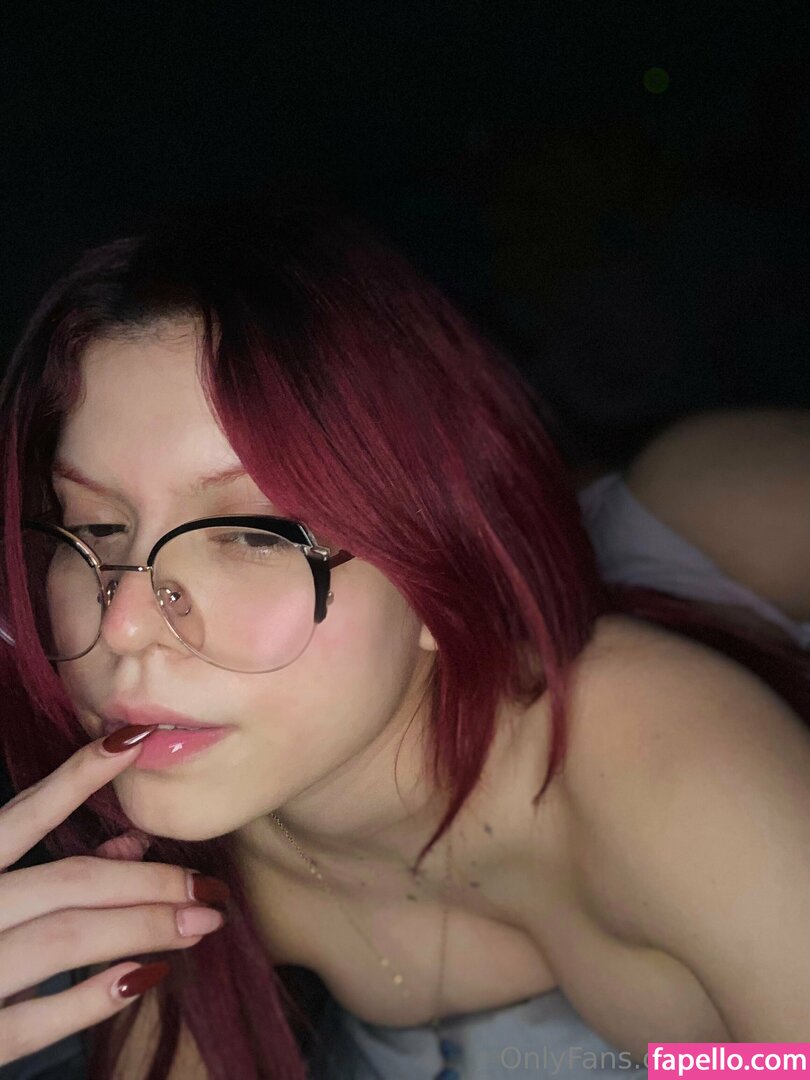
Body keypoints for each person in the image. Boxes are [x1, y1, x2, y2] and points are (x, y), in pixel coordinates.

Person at [0, 196, 808, 1080]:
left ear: (440, 559)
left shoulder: (661, 751)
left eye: (252, 534)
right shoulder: (170, 870)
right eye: (94, 531)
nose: (122, 622)